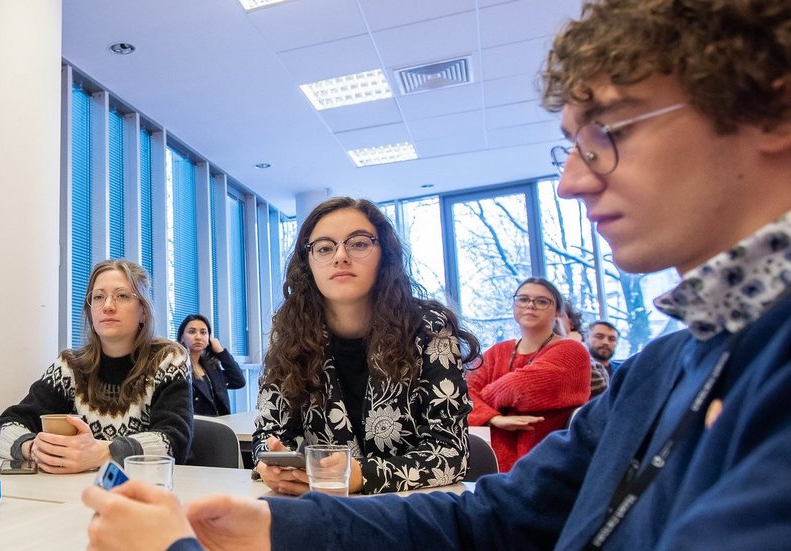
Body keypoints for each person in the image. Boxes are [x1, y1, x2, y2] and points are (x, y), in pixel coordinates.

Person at [82, 1, 791, 548]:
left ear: (772, 105)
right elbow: (499, 516)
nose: (573, 180)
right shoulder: (669, 366)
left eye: (609, 131)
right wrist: (283, 527)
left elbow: (457, 459)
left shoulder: (748, 362)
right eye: (569, 145)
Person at [251, 196, 480, 495]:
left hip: (409, 511)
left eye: (358, 243)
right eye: (324, 247)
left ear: (384, 255)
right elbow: (268, 435)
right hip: (321, 510)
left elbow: (451, 452)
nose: (340, 256)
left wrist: (364, 476)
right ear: (308, 264)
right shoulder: (290, 332)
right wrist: (272, 464)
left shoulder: (429, 327)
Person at [0, 259, 193, 472]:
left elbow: (174, 441)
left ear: (143, 310)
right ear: (90, 311)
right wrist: (34, 448)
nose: (108, 306)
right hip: (80, 493)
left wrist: (103, 453)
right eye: (98, 297)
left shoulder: (168, 359)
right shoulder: (71, 366)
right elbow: (4, 428)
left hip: (150, 491)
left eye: (122, 296)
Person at [467, 278, 592, 471]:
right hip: (488, 466)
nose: (530, 306)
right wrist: (494, 418)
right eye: (523, 299)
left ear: (558, 311)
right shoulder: (498, 351)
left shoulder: (572, 352)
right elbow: (463, 394)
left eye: (542, 301)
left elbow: (517, 389)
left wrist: (483, 399)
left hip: (544, 467)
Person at [176, 314, 245, 416]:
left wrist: (221, 352)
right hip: (197, 428)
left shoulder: (211, 367)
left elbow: (238, 381)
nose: (198, 337)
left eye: (203, 332)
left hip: (221, 425)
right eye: (192, 332)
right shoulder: (178, 368)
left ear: (209, 339)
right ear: (182, 337)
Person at [559, 301, 610, 397]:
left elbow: (599, 390)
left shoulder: (594, 364)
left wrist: (573, 348)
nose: (553, 322)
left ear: (571, 323)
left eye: (558, 316)